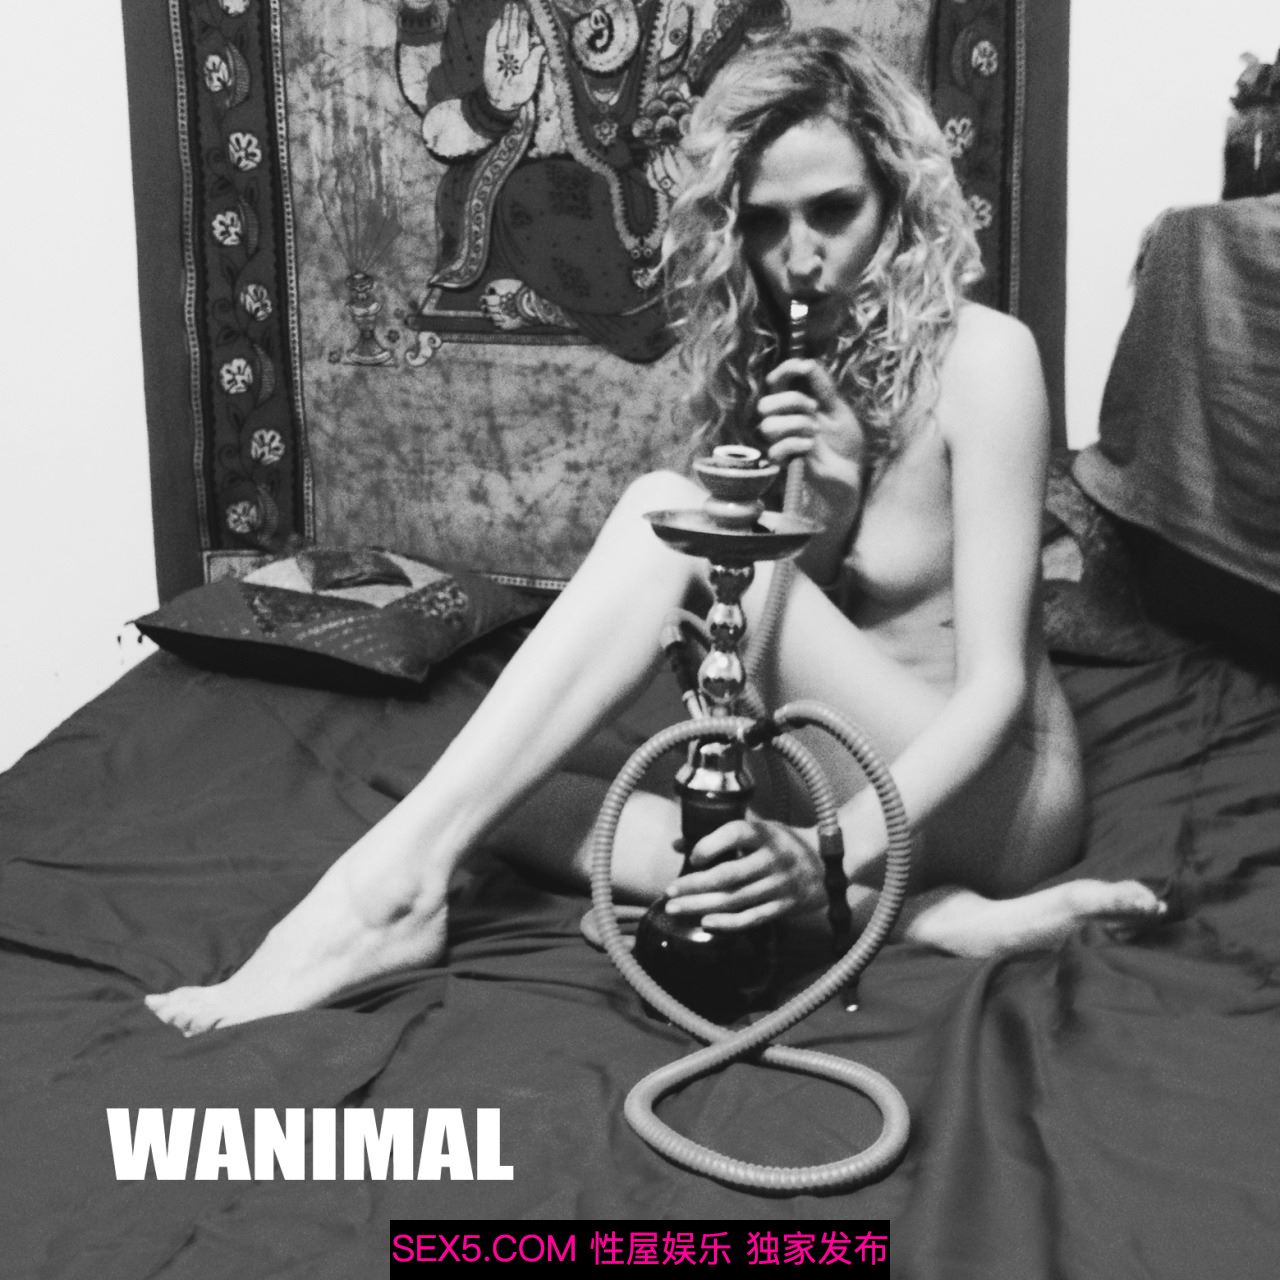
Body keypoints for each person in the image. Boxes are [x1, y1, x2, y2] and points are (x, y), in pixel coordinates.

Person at [147, 27, 1163, 1035]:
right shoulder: (768, 368)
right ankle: (924, 916)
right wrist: (826, 503)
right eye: (764, 223)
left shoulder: (986, 359)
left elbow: (992, 688)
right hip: (825, 758)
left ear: (897, 200)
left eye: (833, 210)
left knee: (660, 518)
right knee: (512, 795)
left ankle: (385, 895)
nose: (800, 257)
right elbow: (769, 639)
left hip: (985, 788)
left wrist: (826, 848)